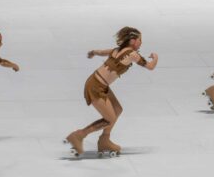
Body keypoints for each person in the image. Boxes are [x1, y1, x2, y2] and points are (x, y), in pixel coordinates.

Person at [65, 27, 158, 157]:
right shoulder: (132, 54)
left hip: (98, 83)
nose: (141, 43)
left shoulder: (117, 50)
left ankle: (104, 140)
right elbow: (150, 66)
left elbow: (102, 52)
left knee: (117, 109)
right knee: (109, 119)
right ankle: (78, 135)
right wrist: (155, 57)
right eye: (139, 40)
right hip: (96, 86)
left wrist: (93, 52)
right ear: (132, 41)